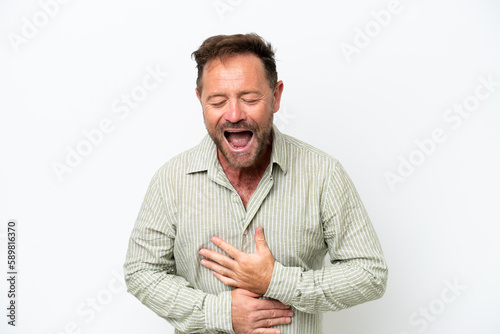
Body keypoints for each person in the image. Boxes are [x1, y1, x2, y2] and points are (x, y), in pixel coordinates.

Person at [124, 33, 388, 334]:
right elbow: (141, 272)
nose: (234, 114)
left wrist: (276, 280)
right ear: (200, 100)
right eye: (218, 100)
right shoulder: (170, 180)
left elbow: (370, 274)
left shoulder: (323, 174)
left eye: (250, 99)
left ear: (276, 96)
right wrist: (220, 312)